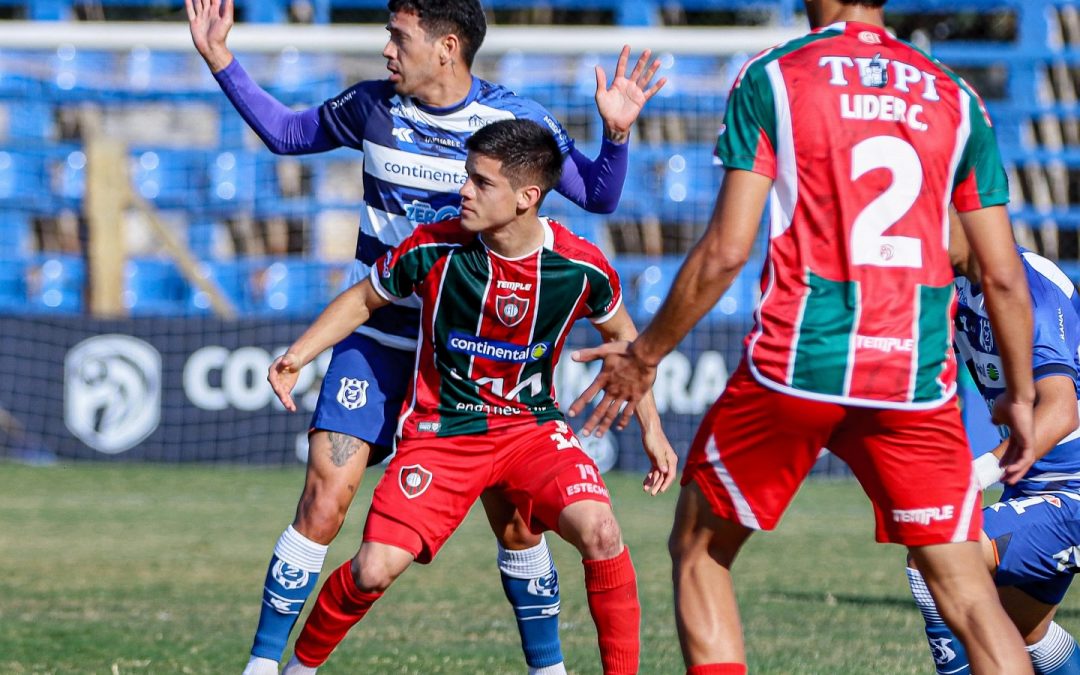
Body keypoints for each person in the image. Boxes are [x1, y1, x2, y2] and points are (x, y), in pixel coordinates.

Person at [184, 1, 666, 673]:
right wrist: (220, 61)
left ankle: (547, 666)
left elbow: (599, 196)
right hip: (378, 332)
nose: (385, 49)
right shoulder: (373, 108)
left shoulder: (511, 124)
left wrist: (615, 135)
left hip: (475, 355)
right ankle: (267, 665)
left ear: (446, 46)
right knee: (325, 496)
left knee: (520, 525)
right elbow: (289, 135)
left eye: (397, 37)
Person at [567, 0, 1042, 672]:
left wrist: (644, 356)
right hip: (912, 375)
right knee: (967, 592)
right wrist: (1020, 395)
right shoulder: (955, 96)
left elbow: (726, 251)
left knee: (702, 550)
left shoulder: (774, 75)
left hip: (799, 362)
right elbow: (1001, 275)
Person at [265, 119, 677, 674]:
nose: (463, 191)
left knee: (601, 531)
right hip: (443, 432)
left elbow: (626, 344)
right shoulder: (433, 247)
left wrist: (652, 427)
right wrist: (299, 354)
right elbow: (364, 299)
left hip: (531, 431)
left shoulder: (579, 267)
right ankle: (296, 669)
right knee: (373, 569)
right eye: (467, 177)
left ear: (527, 197)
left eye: (481, 183)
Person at [906, 215, 1080, 675]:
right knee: (1021, 633)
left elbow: (1062, 412)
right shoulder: (960, 287)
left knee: (936, 548)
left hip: (1073, 490)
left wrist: (976, 475)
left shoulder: (1029, 290)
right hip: (1037, 486)